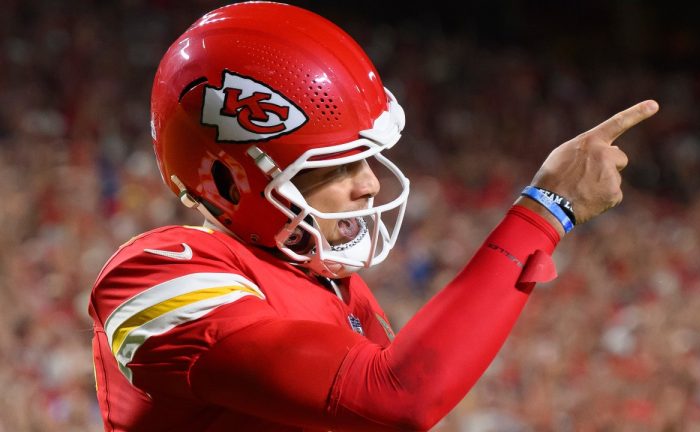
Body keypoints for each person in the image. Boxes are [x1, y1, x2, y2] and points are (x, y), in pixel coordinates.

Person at [88, 2, 659, 431]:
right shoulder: (155, 274)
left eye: (365, 160)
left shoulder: (327, 282)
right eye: (333, 167)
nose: (369, 184)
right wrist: (545, 212)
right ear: (225, 180)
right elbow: (397, 396)